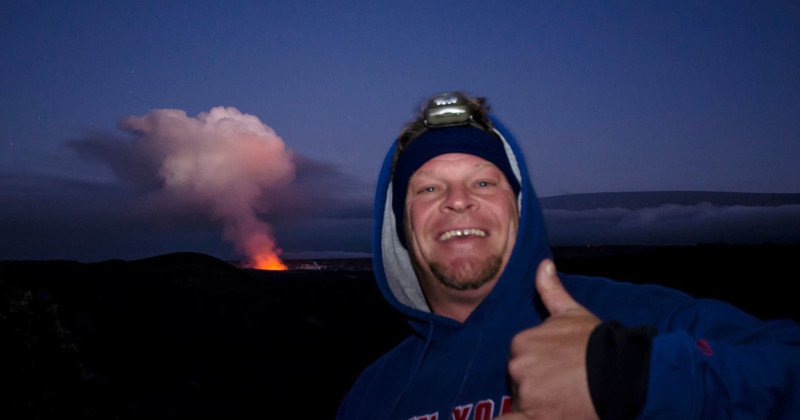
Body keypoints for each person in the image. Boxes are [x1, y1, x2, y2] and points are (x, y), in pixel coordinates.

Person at [337, 92, 800, 419]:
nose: (458, 200)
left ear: (521, 210)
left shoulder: (634, 322)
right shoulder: (373, 394)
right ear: (401, 223)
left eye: (483, 182)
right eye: (429, 188)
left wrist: (635, 380)